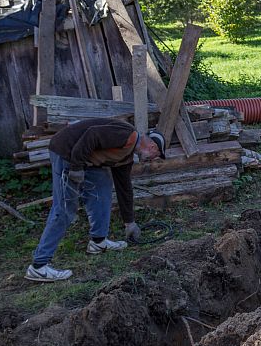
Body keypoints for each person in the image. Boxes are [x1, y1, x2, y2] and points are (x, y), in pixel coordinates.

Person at [24, 118, 164, 282]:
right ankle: (39, 266)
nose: (153, 159)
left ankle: (98, 241)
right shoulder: (126, 135)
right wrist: (76, 168)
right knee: (65, 207)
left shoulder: (126, 156)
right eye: (156, 156)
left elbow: (124, 188)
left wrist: (130, 222)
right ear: (152, 147)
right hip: (67, 151)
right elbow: (92, 135)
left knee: (102, 188)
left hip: (86, 158)